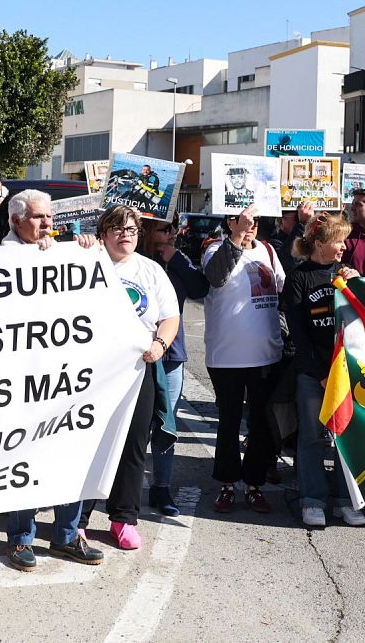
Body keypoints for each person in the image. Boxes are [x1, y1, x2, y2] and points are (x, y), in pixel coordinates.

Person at [1, 189, 105, 569]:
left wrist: (84, 250)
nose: (47, 224)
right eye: (38, 218)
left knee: (71, 454)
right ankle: (20, 538)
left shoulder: (63, 252)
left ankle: (66, 536)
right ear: (16, 221)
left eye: (49, 218)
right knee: (24, 459)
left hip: (64, 378)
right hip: (21, 382)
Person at [90, 205, 178, 550]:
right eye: (117, 229)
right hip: (96, 370)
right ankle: (78, 520)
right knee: (92, 442)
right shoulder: (87, 264)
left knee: (133, 446)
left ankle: (123, 518)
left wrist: (160, 344)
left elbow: (169, 317)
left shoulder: (151, 270)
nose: (125, 234)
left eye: (131, 229)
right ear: (104, 234)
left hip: (139, 369)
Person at [282, 213, 365, 528]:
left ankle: (347, 500)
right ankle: (312, 500)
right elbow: (298, 334)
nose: (344, 247)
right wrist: (319, 372)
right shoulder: (299, 277)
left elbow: (364, 318)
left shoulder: (345, 273)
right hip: (313, 372)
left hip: (347, 372)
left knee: (347, 437)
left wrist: (358, 283)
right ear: (319, 244)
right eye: (338, 241)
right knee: (314, 437)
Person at [200, 205, 284, 516]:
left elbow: (282, 290)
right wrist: (235, 238)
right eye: (240, 220)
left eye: (253, 221)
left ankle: (254, 484)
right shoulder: (214, 249)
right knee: (229, 422)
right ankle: (226, 483)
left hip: (266, 354)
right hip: (227, 357)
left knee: (261, 424)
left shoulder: (267, 251)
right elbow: (216, 277)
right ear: (229, 221)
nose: (249, 226)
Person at [138, 218, 209, 516]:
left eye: (173, 229)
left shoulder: (175, 259)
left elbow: (199, 288)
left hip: (172, 353)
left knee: (166, 424)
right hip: (136, 354)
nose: (171, 234)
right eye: (164, 229)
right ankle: (121, 488)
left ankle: (161, 487)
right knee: (134, 426)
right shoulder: (132, 260)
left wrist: (176, 259)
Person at [270, 202, 315, 274]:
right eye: (297, 217)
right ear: (281, 221)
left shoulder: (312, 241)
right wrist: (302, 224)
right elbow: (286, 264)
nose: (308, 219)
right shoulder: (274, 243)